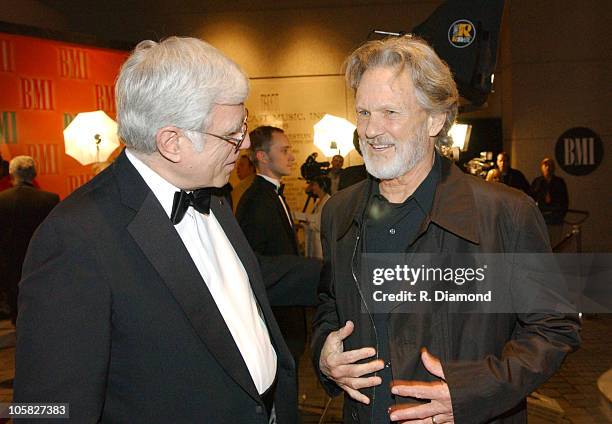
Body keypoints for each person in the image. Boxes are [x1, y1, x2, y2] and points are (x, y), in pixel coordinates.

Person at [15, 37, 297, 423]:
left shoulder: (210, 192)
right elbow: (45, 410)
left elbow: (230, 288)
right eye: (232, 132)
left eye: (243, 125)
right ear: (172, 142)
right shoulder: (75, 237)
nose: (245, 142)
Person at [312, 35, 580, 424]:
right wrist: (325, 353)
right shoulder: (339, 212)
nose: (371, 130)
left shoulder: (505, 213)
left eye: (390, 112)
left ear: (436, 119)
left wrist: (473, 392)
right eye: (365, 113)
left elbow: (554, 328)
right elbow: (328, 306)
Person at [236, 125, 317, 366]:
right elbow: (254, 266)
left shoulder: (272, 195)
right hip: (275, 321)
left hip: (288, 316)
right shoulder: (255, 201)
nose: (291, 157)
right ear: (262, 157)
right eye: (284, 151)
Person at [0, 156, 59, 325]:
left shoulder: (2, 200)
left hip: (9, 261)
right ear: (34, 173)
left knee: (15, 300)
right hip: (42, 260)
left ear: (11, 173)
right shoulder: (50, 199)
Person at [531, 157, 569, 247]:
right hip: (541, 218)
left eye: (550, 165)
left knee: (555, 244)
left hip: (556, 219)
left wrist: (560, 214)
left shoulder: (559, 182)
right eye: (545, 165)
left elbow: (564, 200)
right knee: (542, 245)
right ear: (542, 167)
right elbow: (531, 198)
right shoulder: (537, 182)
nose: (548, 168)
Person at [303, 175, 331, 259]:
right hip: (314, 239)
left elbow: (321, 224)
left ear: (321, 186)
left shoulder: (328, 201)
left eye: (314, 185)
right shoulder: (318, 201)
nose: (312, 187)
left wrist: (308, 222)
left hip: (321, 242)